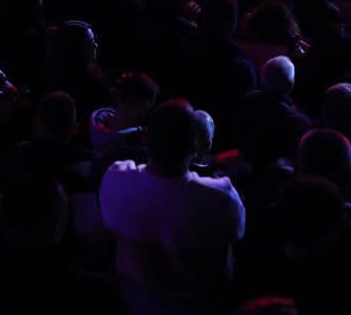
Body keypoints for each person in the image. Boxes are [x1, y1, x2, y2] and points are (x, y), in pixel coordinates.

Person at [98, 100, 245, 315]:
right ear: (195, 147)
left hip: (133, 302)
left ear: (145, 137)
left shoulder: (116, 178)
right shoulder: (222, 198)